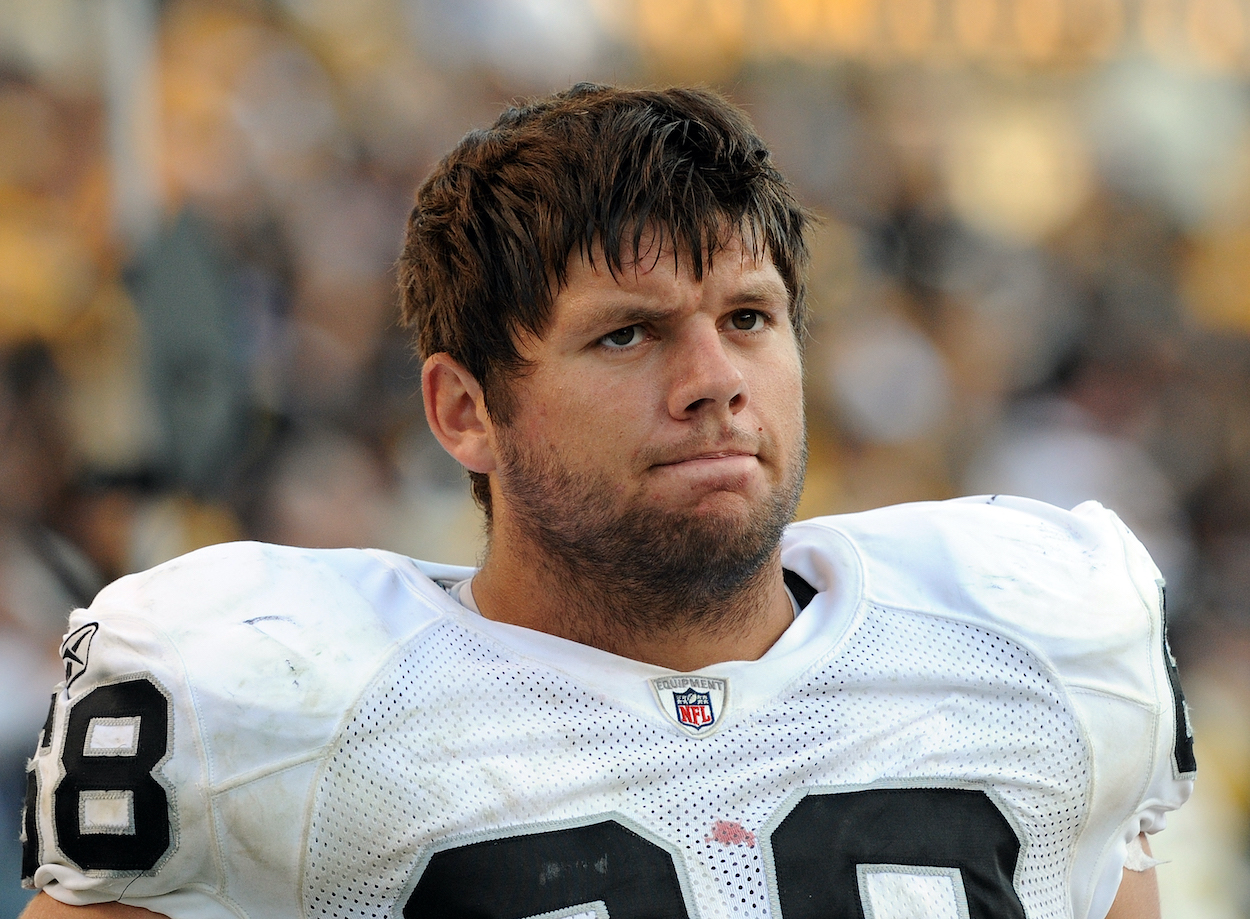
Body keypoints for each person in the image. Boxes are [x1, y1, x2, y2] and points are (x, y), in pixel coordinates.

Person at [19, 83, 1193, 919]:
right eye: (625, 334)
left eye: (747, 318)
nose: (712, 385)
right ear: (463, 409)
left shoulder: (1028, 645)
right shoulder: (273, 703)